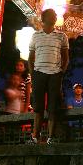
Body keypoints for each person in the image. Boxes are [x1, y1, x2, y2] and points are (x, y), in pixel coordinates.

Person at [28, 8, 69, 145]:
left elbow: (66, 58)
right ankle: (35, 137)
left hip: (55, 74)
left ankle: (51, 137)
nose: (55, 17)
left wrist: (61, 72)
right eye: (52, 15)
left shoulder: (62, 36)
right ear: (44, 18)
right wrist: (33, 74)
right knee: (38, 107)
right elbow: (30, 58)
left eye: (56, 15)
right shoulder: (35, 36)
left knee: (53, 107)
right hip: (38, 73)